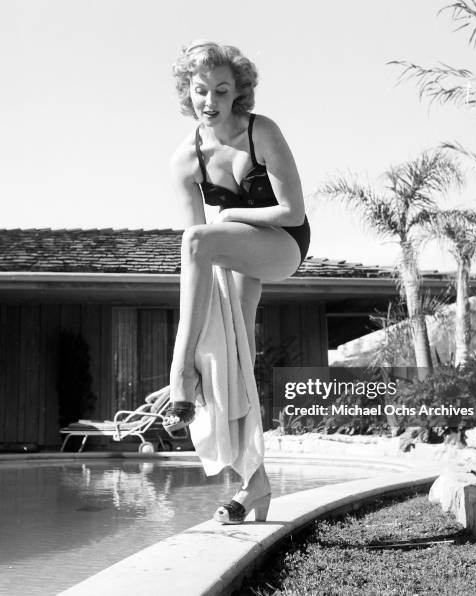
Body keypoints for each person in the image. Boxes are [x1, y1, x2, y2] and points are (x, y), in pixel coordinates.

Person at [162, 40, 311, 524]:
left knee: (201, 242)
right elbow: (194, 250)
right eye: (201, 90)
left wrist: (229, 211)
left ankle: (179, 368)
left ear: (238, 91)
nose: (210, 101)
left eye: (221, 90)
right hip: (234, 252)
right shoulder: (186, 159)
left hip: (283, 244)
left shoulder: (260, 131)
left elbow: (293, 211)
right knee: (233, 359)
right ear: (188, 91)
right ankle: (255, 484)